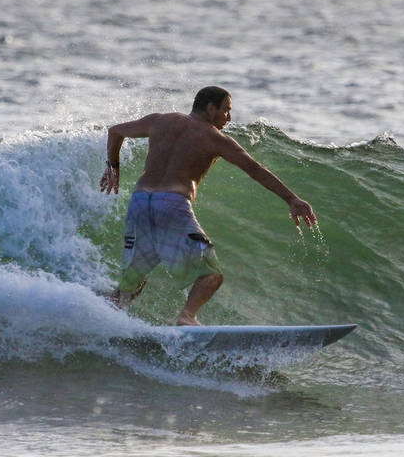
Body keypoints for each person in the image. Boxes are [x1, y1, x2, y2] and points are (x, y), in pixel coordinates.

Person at [99, 86, 318, 325]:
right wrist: (291, 198)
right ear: (210, 108)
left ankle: (104, 321)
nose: (229, 118)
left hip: (140, 201)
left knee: (133, 280)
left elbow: (115, 131)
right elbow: (255, 169)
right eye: (226, 110)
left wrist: (113, 167)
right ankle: (187, 317)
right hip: (172, 204)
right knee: (211, 275)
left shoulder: (160, 121)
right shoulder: (215, 138)